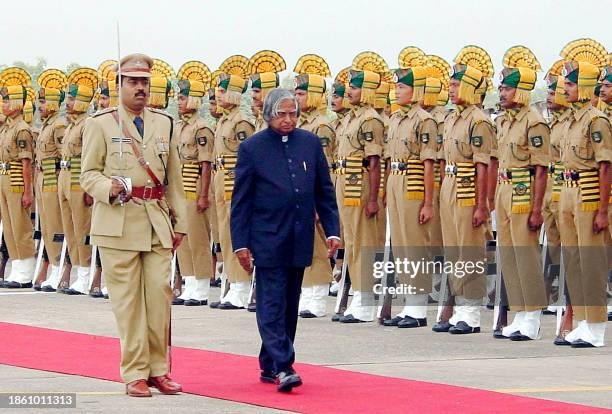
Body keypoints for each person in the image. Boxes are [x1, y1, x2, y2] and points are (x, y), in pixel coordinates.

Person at [81, 53, 186, 396]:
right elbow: (87, 175)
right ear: (119, 85)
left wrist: (180, 222)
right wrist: (106, 188)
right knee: (128, 304)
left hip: (156, 221)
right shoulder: (101, 123)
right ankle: (135, 373)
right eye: (133, 82)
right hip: (118, 222)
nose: (140, 88)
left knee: (159, 296)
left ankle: (159, 370)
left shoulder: (164, 122)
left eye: (144, 82)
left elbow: (174, 178)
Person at [230, 88, 340, 392]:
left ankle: (269, 364)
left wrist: (332, 230)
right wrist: (240, 243)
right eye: (282, 114)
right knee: (271, 302)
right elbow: (241, 200)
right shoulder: (252, 148)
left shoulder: (310, 143)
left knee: (290, 304)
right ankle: (283, 364)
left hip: (299, 235)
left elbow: (324, 192)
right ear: (268, 115)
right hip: (266, 237)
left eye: (293, 113)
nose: (289, 119)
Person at [435, 45, 494, 334]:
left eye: (457, 84)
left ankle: (471, 312)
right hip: (449, 185)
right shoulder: (451, 118)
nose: (451, 88)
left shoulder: (479, 121)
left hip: (469, 188)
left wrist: (482, 206)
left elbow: (484, 165)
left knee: (470, 251)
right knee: (453, 250)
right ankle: (458, 306)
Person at [557, 39, 610, 347]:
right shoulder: (569, 120)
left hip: (588, 193)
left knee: (590, 261)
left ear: (586, 86)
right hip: (567, 191)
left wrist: (603, 210)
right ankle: (581, 322)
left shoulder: (596, 120)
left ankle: (596, 327)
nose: (566, 88)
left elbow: (605, 166)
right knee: (574, 259)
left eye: (572, 83)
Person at [495, 46, 550, 341]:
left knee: (526, 254)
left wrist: (537, 208)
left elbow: (541, 169)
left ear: (522, 92)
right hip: (504, 190)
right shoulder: (504, 121)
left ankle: (533, 316)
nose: (502, 93)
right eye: (501, 88)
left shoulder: (534, 122)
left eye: (507, 88)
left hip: (524, 190)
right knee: (509, 254)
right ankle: (519, 312)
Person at [383, 48, 438, 329]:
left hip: (413, 184)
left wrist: (428, 202)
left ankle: (418, 308)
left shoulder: (423, 120)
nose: (397, 90)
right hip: (395, 182)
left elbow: (428, 162)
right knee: (401, 246)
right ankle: (408, 304)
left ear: (416, 91)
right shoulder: (395, 118)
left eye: (402, 86)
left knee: (416, 245)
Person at [335, 51, 388, 323]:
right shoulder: (351, 118)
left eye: (354, 87)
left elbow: (375, 161)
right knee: (353, 242)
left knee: (365, 242)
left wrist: (374, 198)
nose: (349, 92)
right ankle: (358, 293)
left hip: (361, 182)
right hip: (346, 180)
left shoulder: (370, 119)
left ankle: (366, 299)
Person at [209, 55, 255, 309]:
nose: (218, 96)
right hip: (220, 179)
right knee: (223, 233)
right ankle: (233, 284)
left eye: (222, 91)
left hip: (234, 181)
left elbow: (247, 159)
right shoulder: (224, 121)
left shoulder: (241, 123)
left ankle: (241, 285)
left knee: (236, 232)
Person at [293, 54, 336, 318]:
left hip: (315, 194)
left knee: (318, 246)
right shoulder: (306, 124)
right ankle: (308, 292)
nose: (297, 98)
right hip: (301, 194)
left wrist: (319, 202)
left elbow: (324, 169)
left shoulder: (321, 127)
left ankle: (318, 294)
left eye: (301, 93)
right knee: (306, 245)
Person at [173, 60, 215, 306]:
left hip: (194, 183)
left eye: (183, 97)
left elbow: (206, 163)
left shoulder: (202, 128)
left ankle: (200, 287)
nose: (179, 101)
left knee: (198, 238)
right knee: (183, 237)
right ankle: (189, 283)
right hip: (180, 185)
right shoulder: (179, 126)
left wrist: (203, 195)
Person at [57, 67, 98, 295]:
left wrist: (88, 186)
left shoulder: (88, 125)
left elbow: (89, 156)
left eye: (72, 99)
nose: (68, 102)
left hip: (78, 178)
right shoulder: (72, 124)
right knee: (69, 227)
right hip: (64, 176)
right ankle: (79, 273)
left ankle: (85, 275)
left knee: (82, 227)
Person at [0, 67, 37, 288]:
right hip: (4, 177)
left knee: (20, 225)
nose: (3, 105)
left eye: (6, 101)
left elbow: (26, 162)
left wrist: (27, 191)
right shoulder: (6, 129)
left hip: (15, 179)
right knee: (9, 225)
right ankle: (17, 266)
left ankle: (25, 271)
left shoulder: (22, 129)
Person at [35, 69, 68, 292]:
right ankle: (53, 267)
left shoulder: (58, 126)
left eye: (44, 101)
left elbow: (63, 155)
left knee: (56, 226)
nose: (40, 105)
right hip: (43, 178)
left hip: (55, 178)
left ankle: (58, 268)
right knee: (46, 226)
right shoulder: (48, 125)